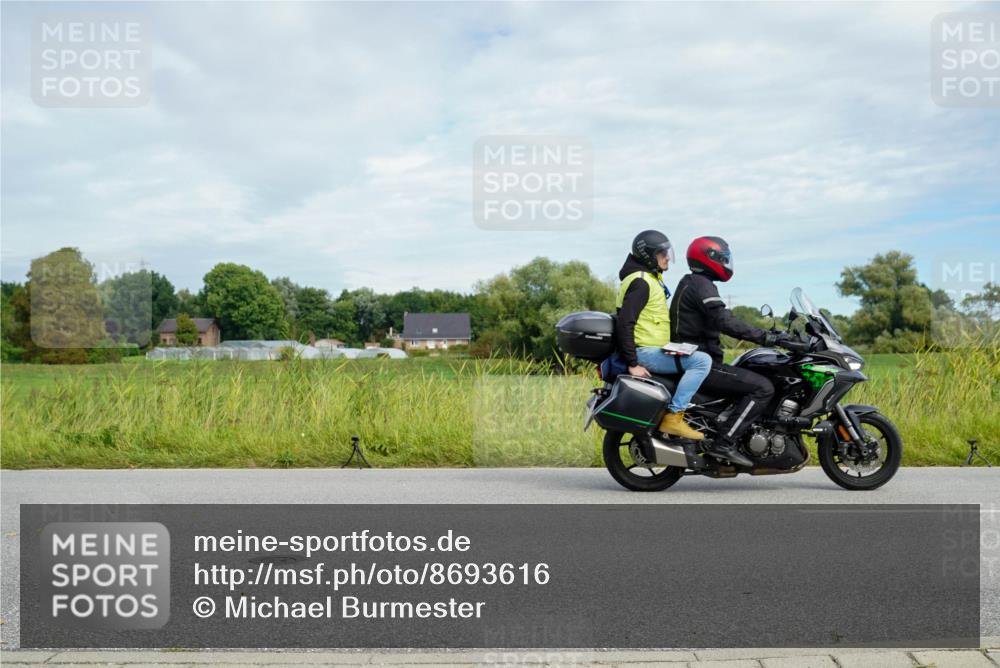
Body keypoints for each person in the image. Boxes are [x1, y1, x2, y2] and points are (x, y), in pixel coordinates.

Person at [670, 236, 785, 467]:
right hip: (701, 363)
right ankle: (724, 443)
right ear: (709, 258)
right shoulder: (701, 284)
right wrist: (765, 337)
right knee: (763, 388)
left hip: (697, 359)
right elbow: (724, 320)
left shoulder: (694, 282)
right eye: (723, 258)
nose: (726, 263)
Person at [616, 230, 713, 441]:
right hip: (644, 352)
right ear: (648, 256)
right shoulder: (641, 282)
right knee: (702, 361)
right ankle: (674, 416)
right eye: (662, 253)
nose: (668, 257)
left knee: (697, 353)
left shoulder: (649, 279)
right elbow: (625, 323)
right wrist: (633, 363)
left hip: (653, 349)